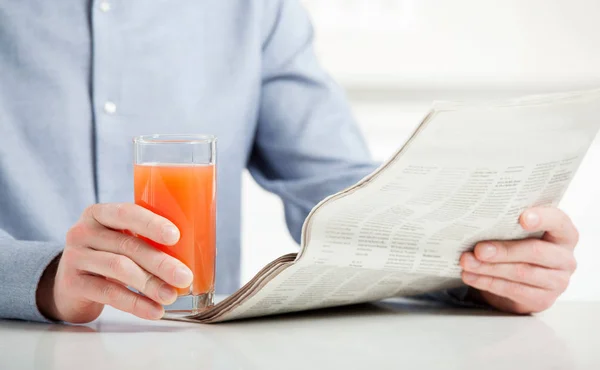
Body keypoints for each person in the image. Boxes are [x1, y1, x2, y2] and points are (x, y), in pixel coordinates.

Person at [0, 1, 578, 324]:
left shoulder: (253, 9)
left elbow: (336, 188)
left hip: (190, 350)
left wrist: (479, 265)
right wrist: (45, 276)